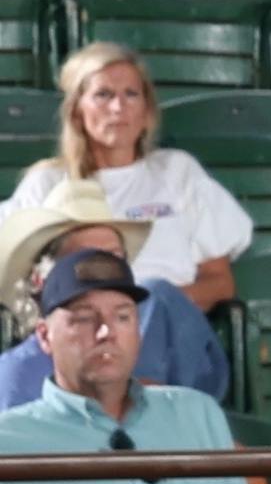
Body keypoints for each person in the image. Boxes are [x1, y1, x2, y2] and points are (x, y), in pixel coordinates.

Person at [0, 248, 250, 484]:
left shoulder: (198, 413)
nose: (106, 332)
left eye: (123, 317)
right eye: (83, 318)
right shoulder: (8, 440)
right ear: (45, 336)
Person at [4, 44, 248, 329]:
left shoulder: (178, 172)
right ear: (77, 111)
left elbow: (220, 282)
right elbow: (14, 277)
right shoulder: (47, 182)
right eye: (103, 95)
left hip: (171, 329)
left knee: (154, 294)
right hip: (80, 332)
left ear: (147, 112)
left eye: (131, 95)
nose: (118, 107)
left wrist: (148, 309)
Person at [0, 180, 228, 409]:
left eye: (115, 257)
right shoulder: (15, 376)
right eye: (85, 259)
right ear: (41, 279)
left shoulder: (154, 313)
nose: (105, 271)